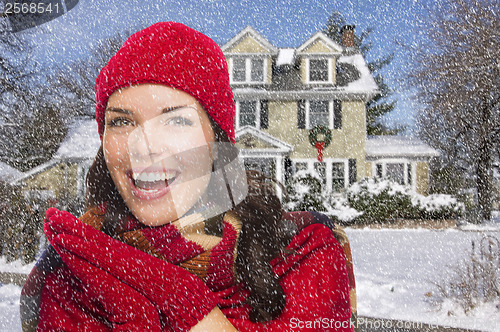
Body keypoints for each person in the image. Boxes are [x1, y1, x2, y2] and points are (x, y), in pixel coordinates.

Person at [20, 22, 356, 331]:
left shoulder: (304, 249)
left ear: (216, 141)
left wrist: (183, 301)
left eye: (176, 120)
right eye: (122, 121)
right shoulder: (68, 272)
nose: (145, 147)